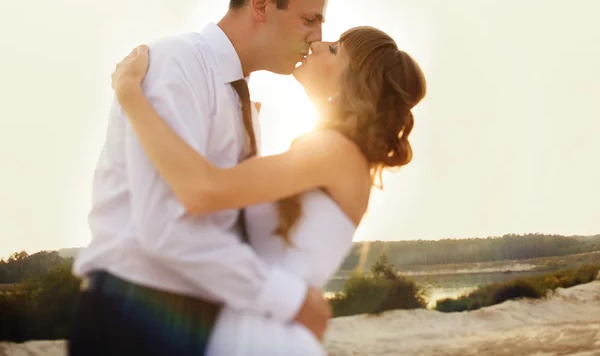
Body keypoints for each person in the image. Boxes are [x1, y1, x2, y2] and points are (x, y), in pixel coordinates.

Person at [68, 0, 336, 355]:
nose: (316, 37)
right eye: (309, 19)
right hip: (136, 317)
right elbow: (166, 226)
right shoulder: (178, 64)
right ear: (261, 4)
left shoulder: (241, 98)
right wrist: (286, 298)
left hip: (197, 318)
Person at [110, 25, 427, 355]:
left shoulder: (333, 152)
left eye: (334, 50)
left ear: (355, 82)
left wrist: (131, 96)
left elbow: (201, 190)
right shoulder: (336, 155)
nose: (319, 44)